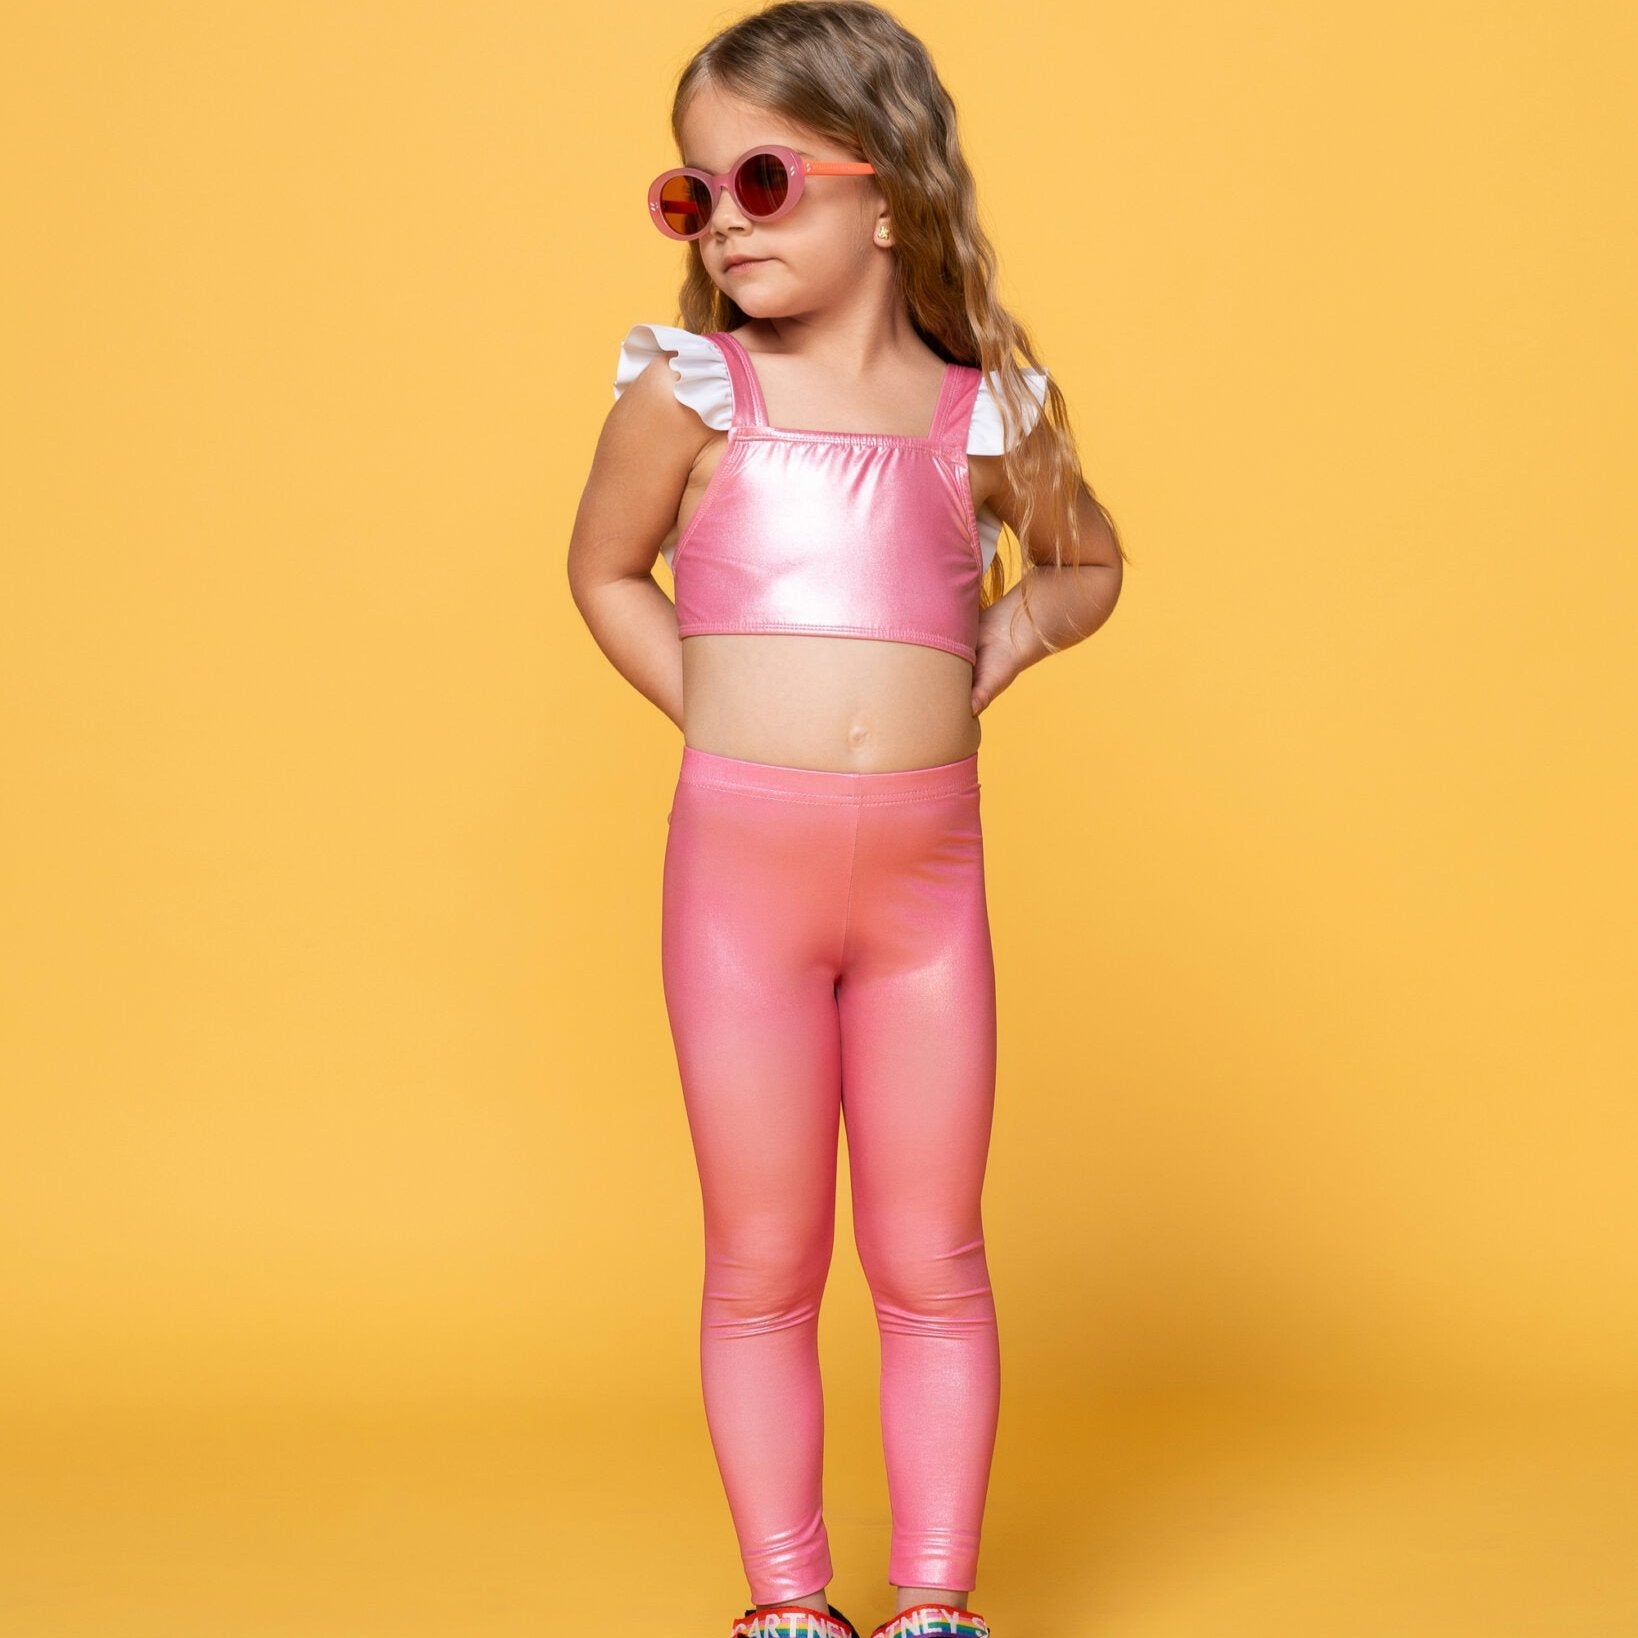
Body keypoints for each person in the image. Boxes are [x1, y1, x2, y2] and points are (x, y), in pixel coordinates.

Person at [568, 4, 1126, 1634]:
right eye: (691, 196)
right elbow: (602, 570)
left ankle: (936, 1596)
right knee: (760, 1259)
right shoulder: (693, 393)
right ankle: (787, 1601)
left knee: (932, 1253)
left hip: (924, 894)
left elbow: (1085, 564)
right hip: (738, 887)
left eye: (759, 181)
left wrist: (990, 650)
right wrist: (718, 706)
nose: (721, 226)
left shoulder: (985, 413)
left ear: (884, 193)